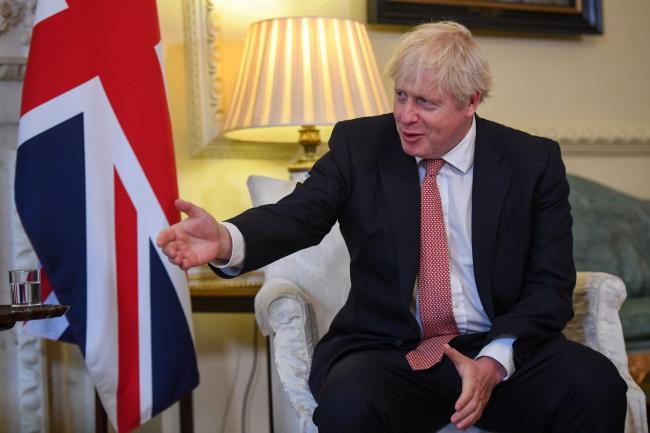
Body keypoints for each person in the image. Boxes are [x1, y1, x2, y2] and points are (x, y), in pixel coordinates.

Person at [158, 21, 627, 433]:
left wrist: (493, 362)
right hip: (394, 352)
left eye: (425, 102)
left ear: (471, 102)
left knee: (595, 385)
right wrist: (225, 238)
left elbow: (551, 284)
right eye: (401, 95)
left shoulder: (531, 162)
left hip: (498, 348)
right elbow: (299, 216)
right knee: (348, 403)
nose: (405, 115)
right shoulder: (361, 145)